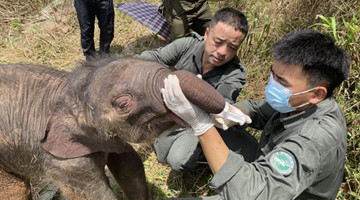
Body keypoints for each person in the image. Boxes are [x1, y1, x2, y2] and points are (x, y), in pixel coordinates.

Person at [161, 29, 350, 200]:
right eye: (272, 74)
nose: (272, 84)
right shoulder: (300, 103)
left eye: (281, 82)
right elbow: (258, 109)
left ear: (317, 94)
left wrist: (202, 125)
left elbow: (249, 194)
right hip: (264, 172)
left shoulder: (313, 139)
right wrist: (230, 112)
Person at [137, 7, 258, 172]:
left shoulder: (235, 74)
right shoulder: (187, 45)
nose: (222, 52)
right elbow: (152, 58)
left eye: (232, 47)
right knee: (161, 150)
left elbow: (217, 107)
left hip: (196, 122)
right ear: (207, 33)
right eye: (218, 41)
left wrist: (194, 91)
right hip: (172, 114)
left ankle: (221, 151)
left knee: (178, 159)